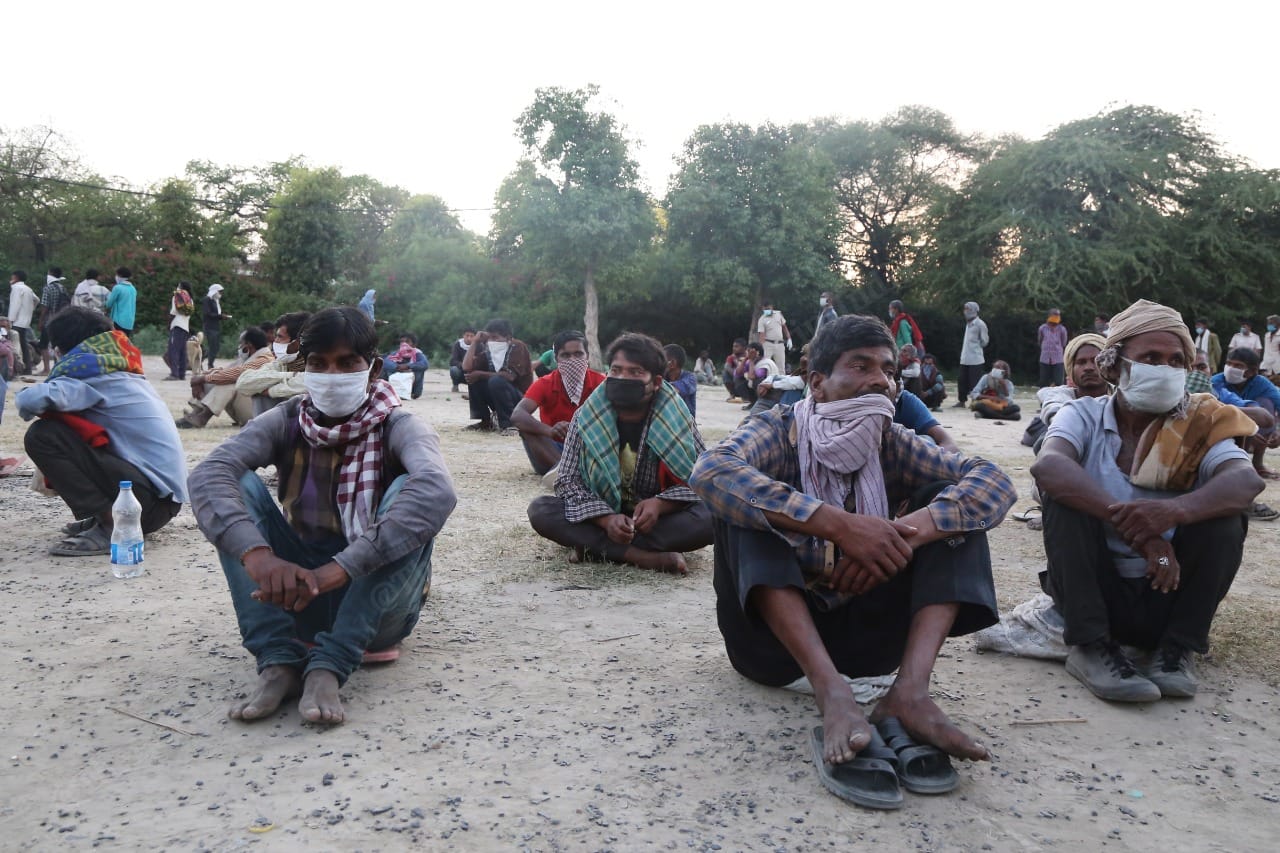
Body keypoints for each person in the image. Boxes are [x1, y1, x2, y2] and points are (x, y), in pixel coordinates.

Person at [690, 314, 1014, 805]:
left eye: (887, 370)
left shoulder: (893, 439)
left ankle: (909, 694)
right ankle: (831, 693)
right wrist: (838, 527)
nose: (879, 380)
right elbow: (711, 472)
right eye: (860, 366)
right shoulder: (780, 429)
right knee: (748, 509)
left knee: (950, 508)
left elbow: (994, 482)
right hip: (774, 652)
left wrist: (896, 538)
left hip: (871, 652)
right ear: (817, 383)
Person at [188, 306, 456, 725]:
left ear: (373, 369)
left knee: (411, 492)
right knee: (234, 485)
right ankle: (277, 660)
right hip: (297, 594)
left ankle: (331, 663)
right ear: (303, 368)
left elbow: (436, 491)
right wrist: (257, 555)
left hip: (379, 608)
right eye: (319, 364)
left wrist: (342, 569)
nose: (332, 375)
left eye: (347, 363)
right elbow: (210, 474)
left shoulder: (400, 425)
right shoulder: (287, 419)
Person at [1031, 298, 1261, 702]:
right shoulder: (1083, 414)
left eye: (1175, 361)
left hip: (1167, 590)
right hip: (1095, 593)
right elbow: (1049, 467)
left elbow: (1243, 480)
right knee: (1063, 498)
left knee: (1225, 516)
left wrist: (1174, 511)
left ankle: (1177, 648)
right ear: (1115, 364)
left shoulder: (1198, 424)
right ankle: (1090, 647)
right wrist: (1146, 536)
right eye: (1150, 357)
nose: (1165, 369)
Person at [527, 332, 714, 575]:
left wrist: (660, 504)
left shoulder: (677, 418)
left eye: (635, 372)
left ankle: (595, 547)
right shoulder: (587, 416)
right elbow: (567, 480)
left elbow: (703, 479)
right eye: (616, 370)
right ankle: (641, 557)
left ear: (656, 382)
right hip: (598, 514)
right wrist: (605, 519)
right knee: (541, 510)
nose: (622, 378)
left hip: (654, 521)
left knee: (714, 515)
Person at [16, 307, 187, 556]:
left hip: (146, 505)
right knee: (65, 428)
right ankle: (105, 517)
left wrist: (26, 393)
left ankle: (112, 526)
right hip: (161, 504)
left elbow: (29, 402)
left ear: (61, 349)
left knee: (43, 435)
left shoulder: (88, 373)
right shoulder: (119, 367)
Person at [511, 330, 605, 476]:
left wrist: (579, 430)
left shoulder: (600, 383)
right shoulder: (545, 383)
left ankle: (569, 472)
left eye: (578, 354)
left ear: (587, 356)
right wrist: (551, 431)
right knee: (526, 428)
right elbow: (517, 415)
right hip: (551, 449)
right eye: (565, 355)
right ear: (556, 358)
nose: (572, 360)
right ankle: (564, 472)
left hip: (588, 447)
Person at [1022, 333, 1109, 450]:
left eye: (1095, 361)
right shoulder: (1060, 395)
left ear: (1109, 365)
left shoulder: (1119, 397)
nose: (1089, 367)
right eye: (1081, 362)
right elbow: (1054, 411)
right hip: (1056, 427)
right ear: (1071, 369)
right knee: (1048, 440)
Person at [178, 327, 273, 428]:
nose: (239, 346)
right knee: (216, 378)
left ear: (249, 345)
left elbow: (236, 374)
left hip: (258, 414)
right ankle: (195, 414)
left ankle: (203, 418)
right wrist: (201, 378)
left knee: (230, 382)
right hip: (247, 409)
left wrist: (202, 379)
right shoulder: (248, 357)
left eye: (241, 343)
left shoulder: (265, 359)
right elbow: (224, 371)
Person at [1212, 347, 1280, 482]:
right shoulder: (1216, 382)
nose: (1230, 368)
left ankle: (1257, 463)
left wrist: (1278, 431)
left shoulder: (1261, 383)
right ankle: (1236, 464)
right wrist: (1249, 431)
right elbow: (1217, 413)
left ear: (1252, 371)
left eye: (1238, 365)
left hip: (1253, 426)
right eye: (1229, 363)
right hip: (1223, 428)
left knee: (1266, 403)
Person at [462, 319, 534, 432]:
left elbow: (509, 376)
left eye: (495, 337)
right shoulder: (490, 350)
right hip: (500, 396)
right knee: (473, 378)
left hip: (521, 400)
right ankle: (485, 421)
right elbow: (466, 367)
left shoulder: (518, 347)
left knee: (496, 380)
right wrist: (475, 342)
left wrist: (480, 374)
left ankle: (509, 423)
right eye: (489, 338)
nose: (491, 341)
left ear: (508, 338)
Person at [236, 311, 312, 417]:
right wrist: (289, 375)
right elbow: (243, 383)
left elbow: (307, 385)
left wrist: (269, 391)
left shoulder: (318, 363)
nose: (275, 341)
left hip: (306, 425)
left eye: (280, 337)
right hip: (277, 423)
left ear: (297, 342)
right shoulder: (282, 364)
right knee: (258, 390)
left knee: (261, 392)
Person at [35, 268, 71, 375]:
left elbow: (45, 307)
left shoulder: (48, 288)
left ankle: (46, 369)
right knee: (58, 344)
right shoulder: (62, 288)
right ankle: (58, 367)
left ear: (51, 275)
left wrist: (41, 321)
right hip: (61, 320)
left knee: (43, 344)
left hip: (49, 320)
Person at [956, 301, 989, 407]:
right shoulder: (967, 324)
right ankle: (962, 401)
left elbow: (985, 341)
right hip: (965, 357)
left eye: (968, 309)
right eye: (965, 309)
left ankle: (975, 402)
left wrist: (976, 345)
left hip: (976, 358)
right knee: (961, 380)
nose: (966, 311)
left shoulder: (980, 324)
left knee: (975, 382)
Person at [7, 270, 38, 375]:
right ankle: (28, 368)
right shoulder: (28, 289)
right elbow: (36, 299)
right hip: (25, 322)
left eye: (12, 276)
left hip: (16, 321)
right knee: (23, 345)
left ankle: (16, 368)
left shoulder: (16, 288)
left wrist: (10, 320)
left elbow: (15, 305)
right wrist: (30, 310)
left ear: (15, 278)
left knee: (14, 345)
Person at [381, 333, 429, 400]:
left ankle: (412, 393)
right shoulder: (396, 353)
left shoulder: (418, 354)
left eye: (407, 341)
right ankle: (390, 392)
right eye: (402, 341)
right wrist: (397, 367)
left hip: (413, 390)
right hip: (396, 384)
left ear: (414, 344)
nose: (404, 344)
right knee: (384, 368)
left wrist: (408, 366)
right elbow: (385, 362)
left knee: (419, 369)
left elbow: (425, 364)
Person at [165, 281, 197, 381]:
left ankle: (174, 374)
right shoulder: (190, 299)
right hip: (185, 327)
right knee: (183, 352)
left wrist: (169, 323)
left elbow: (173, 312)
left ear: (181, 287)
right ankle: (181, 374)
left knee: (173, 351)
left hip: (177, 325)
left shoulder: (177, 296)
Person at [739, 342, 780, 411]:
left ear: (756, 353)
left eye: (749, 351)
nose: (747, 353)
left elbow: (752, 377)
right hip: (762, 387)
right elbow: (738, 373)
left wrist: (751, 360)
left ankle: (761, 403)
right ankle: (753, 402)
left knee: (756, 382)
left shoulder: (765, 363)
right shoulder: (750, 361)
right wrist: (745, 359)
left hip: (771, 390)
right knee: (740, 380)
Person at [756, 299, 792, 372]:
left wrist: (789, 338)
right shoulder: (762, 319)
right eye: (765, 309)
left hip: (779, 344)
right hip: (768, 344)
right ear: (763, 309)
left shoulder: (778, 314)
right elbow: (761, 335)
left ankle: (781, 382)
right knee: (766, 365)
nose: (767, 310)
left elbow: (784, 327)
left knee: (781, 366)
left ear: (772, 307)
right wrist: (760, 347)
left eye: (768, 308)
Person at [1036, 309, 1069, 387]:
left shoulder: (1062, 329)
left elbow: (1064, 343)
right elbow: (1040, 340)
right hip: (1045, 358)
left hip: (1058, 358)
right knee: (1043, 381)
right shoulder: (1042, 328)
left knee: (1058, 381)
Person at [664, 344, 698, 417]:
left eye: (662, 359)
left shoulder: (690, 378)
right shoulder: (663, 377)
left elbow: (672, 390)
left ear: (672, 363)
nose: (659, 362)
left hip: (686, 423)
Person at [104, 267, 137, 338]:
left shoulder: (117, 288)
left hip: (118, 321)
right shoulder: (133, 289)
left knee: (115, 343)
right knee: (124, 344)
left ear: (120, 275)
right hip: (129, 322)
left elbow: (108, 304)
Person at [722, 338, 751, 403]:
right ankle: (732, 394)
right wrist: (736, 374)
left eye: (736, 346)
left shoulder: (749, 356)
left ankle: (747, 397)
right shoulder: (731, 357)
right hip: (737, 381)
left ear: (744, 348)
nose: (734, 348)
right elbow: (727, 366)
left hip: (747, 381)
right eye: (733, 346)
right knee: (725, 373)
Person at [448, 327, 476, 393]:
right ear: (463, 335)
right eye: (467, 335)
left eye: (471, 336)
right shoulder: (458, 344)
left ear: (475, 337)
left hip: (474, 371)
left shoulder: (479, 345)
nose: (469, 338)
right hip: (461, 371)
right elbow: (453, 361)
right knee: (454, 370)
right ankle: (455, 385)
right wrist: (464, 365)